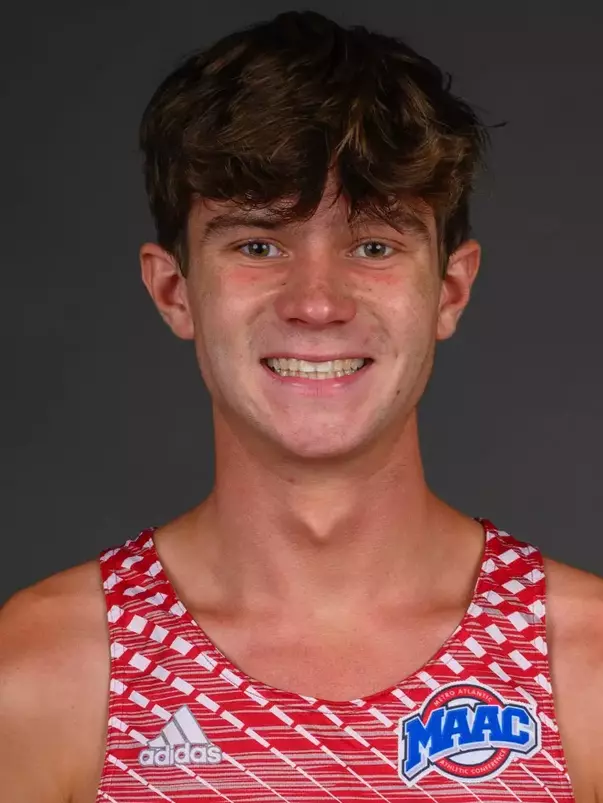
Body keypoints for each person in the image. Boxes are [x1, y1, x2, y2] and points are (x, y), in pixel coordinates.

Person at [0, 9, 600, 802]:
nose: (316, 302)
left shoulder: (583, 667)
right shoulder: (46, 673)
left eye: (374, 245)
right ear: (173, 291)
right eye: (257, 244)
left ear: (448, 290)